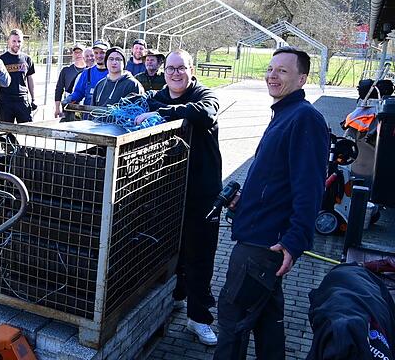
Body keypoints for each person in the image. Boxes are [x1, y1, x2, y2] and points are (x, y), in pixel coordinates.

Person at [213, 46, 329, 360]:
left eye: (282, 71)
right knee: (267, 323)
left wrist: (295, 241)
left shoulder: (305, 118)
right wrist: (244, 201)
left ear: (302, 78)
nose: (272, 76)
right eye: (270, 68)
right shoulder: (285, 114)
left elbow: (309, 188)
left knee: (232, 320)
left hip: (263, 244)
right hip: (259, 234)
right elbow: (275, 181)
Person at [134, 49, 222, 346]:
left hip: (202, 191)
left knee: (200, 254)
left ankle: (199, 318)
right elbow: (139, 109)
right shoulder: (158, 96)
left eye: (181, 68)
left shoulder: (204, 95)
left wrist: (161, 114)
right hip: (168, 189)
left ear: (191, 69)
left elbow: (205, 113)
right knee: (171, 247)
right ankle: (176, 296)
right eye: (170, 68)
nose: (175, 73)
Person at [0, 29, 35, 123]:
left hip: (22, 100)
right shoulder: (1, 59)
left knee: (26, 131)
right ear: (8, 42)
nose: (16, 44)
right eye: (13, 41)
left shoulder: (27, 59)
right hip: (6, 100)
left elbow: (30, 79)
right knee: (5, 133)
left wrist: (33, 98)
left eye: (19, 41)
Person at [66, 39, 109, 106]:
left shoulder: (113, 73)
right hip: (88, 113)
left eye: (102, 53)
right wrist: (69, 99)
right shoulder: (87, 73)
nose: (99, 56)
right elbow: (79, 93)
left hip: (107, 114)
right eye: (96, 53)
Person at [54, 43, 87, 117]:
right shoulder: (66, 70)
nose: (78, 55)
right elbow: (59, 89)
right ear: (72, 54)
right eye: (75, 52)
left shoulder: (89, 70)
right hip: (69, 106)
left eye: (80, 52)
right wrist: (57, 108)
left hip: (84, 107)